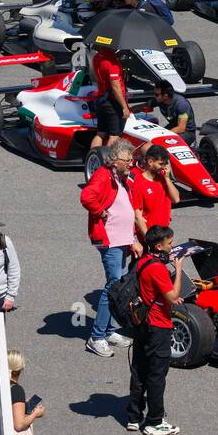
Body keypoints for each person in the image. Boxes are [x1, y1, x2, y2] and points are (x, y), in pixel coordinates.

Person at [81, 139, 141, 357]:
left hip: (121, 240)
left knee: (117, 286)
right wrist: (100, 211)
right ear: (115, 160)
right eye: (128, 159)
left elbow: (126, 210)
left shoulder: (121, 178)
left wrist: (132, 237)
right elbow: (86, 196)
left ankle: (108, 331)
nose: (132, 163)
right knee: (113, 287)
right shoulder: (103, 176)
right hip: (110, 240)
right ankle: (96, 337)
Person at [127, 225, 186, 435]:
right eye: (170, 244)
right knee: (157, 374)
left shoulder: (143, 261)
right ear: (159, 246)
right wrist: (178, 271)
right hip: (158, 327)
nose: (172, 248)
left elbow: (154, 291)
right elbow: (171, 296)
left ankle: (134, 416)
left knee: (139, 370)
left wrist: (167, 295)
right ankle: (154, 421)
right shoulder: (158, 268)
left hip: (141, 324)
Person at [131, 144, 180, 239]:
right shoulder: (139, 183)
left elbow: (176, 199)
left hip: (163, 234)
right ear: (150, 162)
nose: (164, 167)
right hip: (149, 235)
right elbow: (138, 217)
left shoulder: (163, 179)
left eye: (165, 164)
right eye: (161, 164)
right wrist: (150, 240)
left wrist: (167, 178)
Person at [89, 45, 130, 151]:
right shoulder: (112, 63)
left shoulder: (97, 57)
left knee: (101, 133)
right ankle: (108, 163)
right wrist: (124, 107)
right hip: (112, 102)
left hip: (101, 99)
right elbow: (115, 87)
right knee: (114, 135)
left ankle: (93, 157)